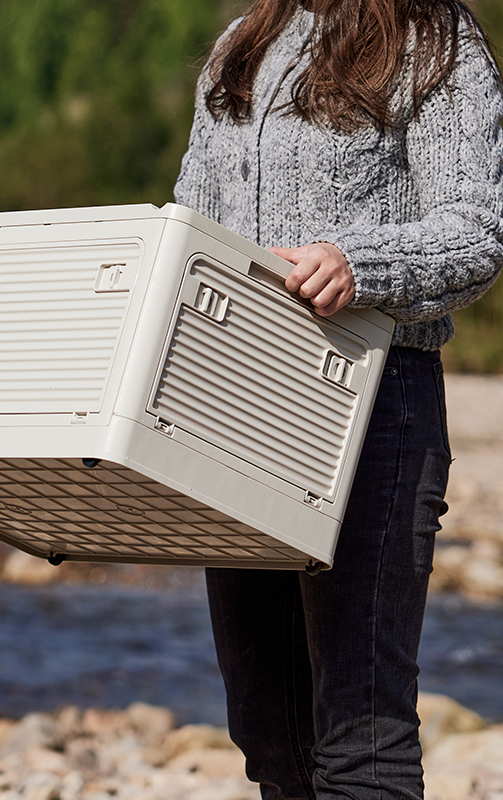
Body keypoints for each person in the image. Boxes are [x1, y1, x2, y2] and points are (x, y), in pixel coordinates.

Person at [174, 1, 503, 798]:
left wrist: (359, 263)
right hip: (233, 407)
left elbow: (481, 229)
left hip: (374, 408)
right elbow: (189, 213)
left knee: (360, 730)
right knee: (266, 722)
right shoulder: (242, 41)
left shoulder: (436, 41)